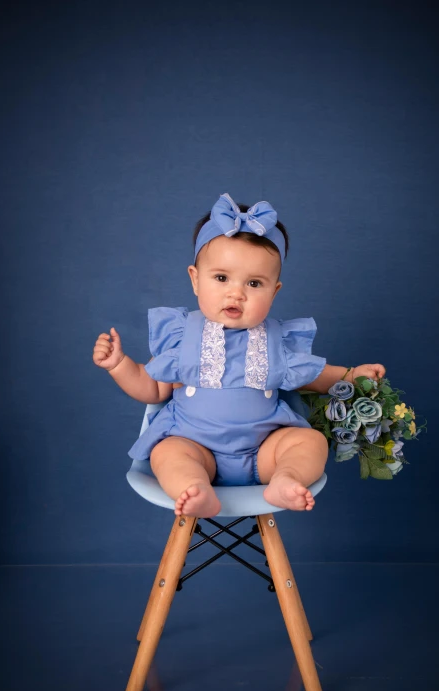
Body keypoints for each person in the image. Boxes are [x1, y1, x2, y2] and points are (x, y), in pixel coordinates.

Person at [93, 193, 386, 517]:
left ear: (274, 291)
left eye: (254, 283)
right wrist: (119, 365)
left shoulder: (277, 339)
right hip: (195, 447)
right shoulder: (182, 335)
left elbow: (318, 376)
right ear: (195, 279)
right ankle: (195, 488)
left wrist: (352, 375)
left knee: (310, 442)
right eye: (221, 278)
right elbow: (152, 388)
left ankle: (286, 479)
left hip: (264, 453)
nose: (237, 293)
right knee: (168, 452)